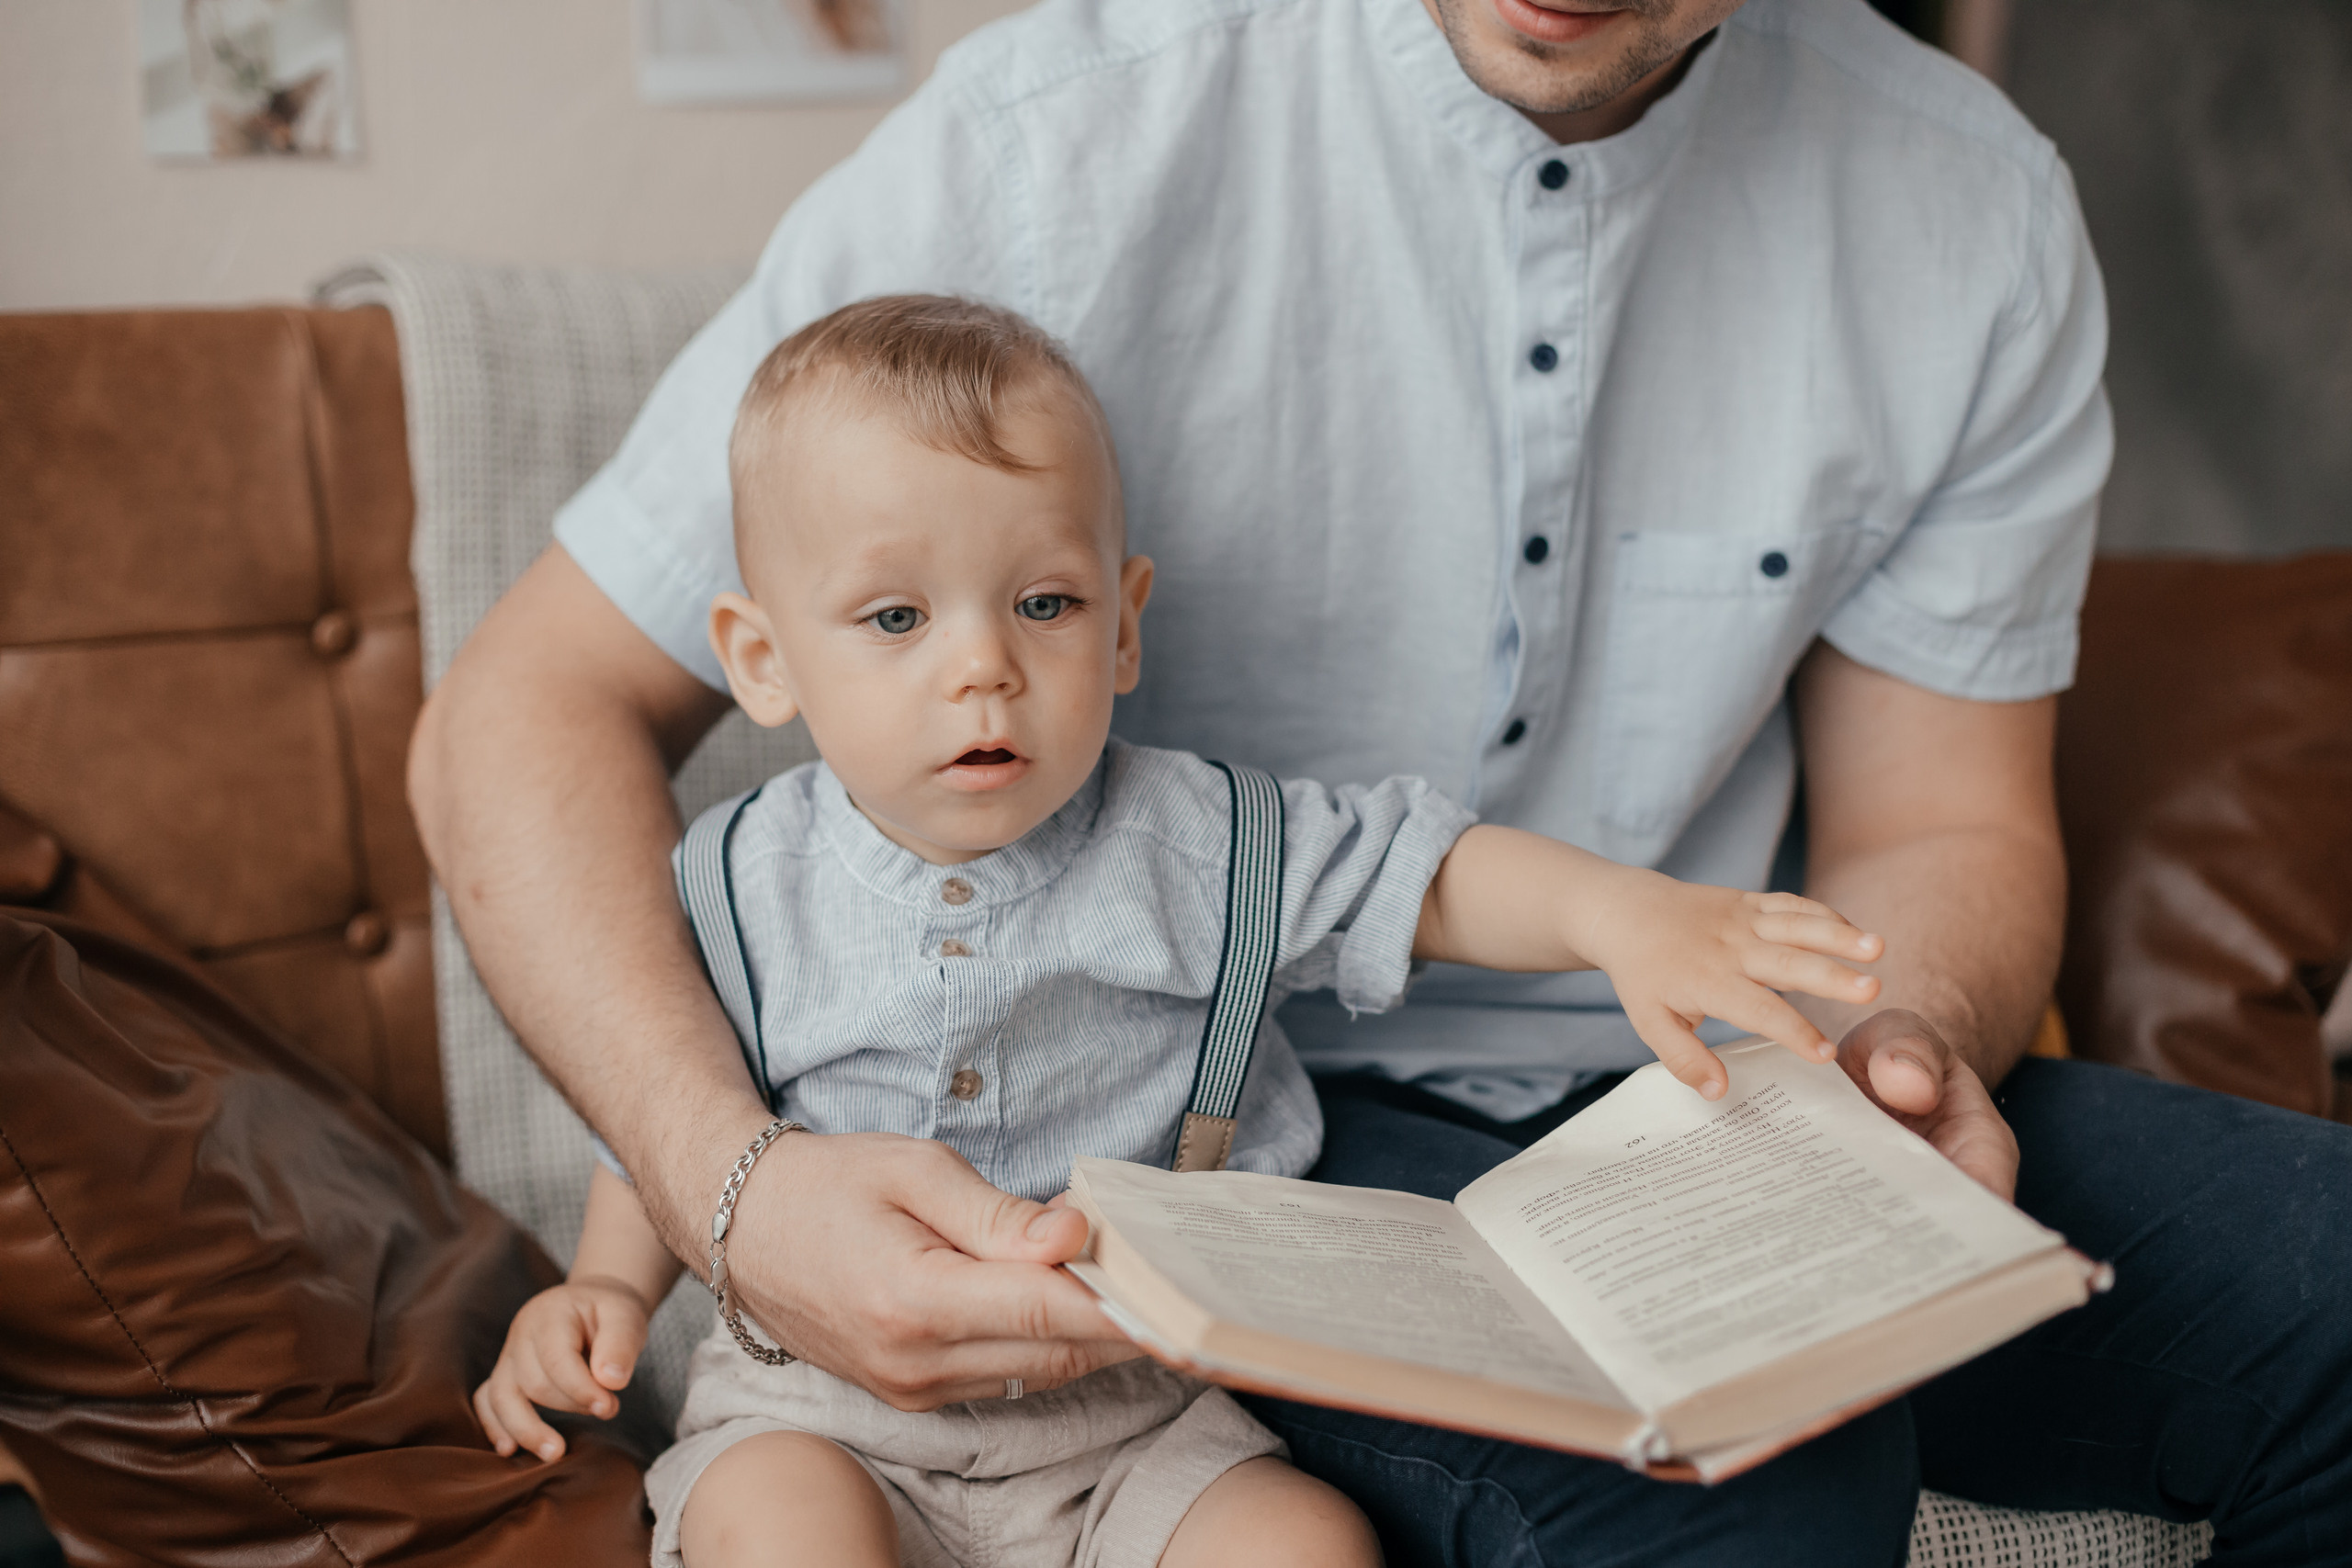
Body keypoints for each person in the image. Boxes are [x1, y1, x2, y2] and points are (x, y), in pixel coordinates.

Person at [413, 0, 2352, 1561]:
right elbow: (521, 717)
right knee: (1751, 1509)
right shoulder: (1052, 133)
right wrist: (731, 1197)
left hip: (1714, 1094)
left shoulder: (1967, 206)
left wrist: (1884, 1059)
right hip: (1256, 1147)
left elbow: (1939, 819)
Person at [469, 294, 1894, 1568]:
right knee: (783, 1529)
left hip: (1140, 1420)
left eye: (1045, 603)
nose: (983, 667)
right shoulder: (733, 879)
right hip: (823, 1411)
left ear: (1124, 628)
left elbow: (1426, 876)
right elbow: (665, 1126)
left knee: (1305, 1542)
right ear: (764, 659)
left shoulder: (1203, 842)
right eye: (897, 618)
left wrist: (1621, 914)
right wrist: (605, 1287)